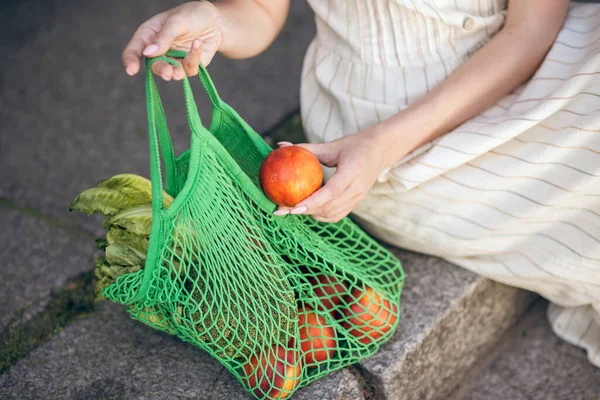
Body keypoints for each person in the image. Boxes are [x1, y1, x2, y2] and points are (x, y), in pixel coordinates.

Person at [123, 0, 600, 367]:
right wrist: (216, 19)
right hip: (386, 142)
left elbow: (532, 28)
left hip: (524, 72)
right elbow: (259, 10)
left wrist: (380, 146)